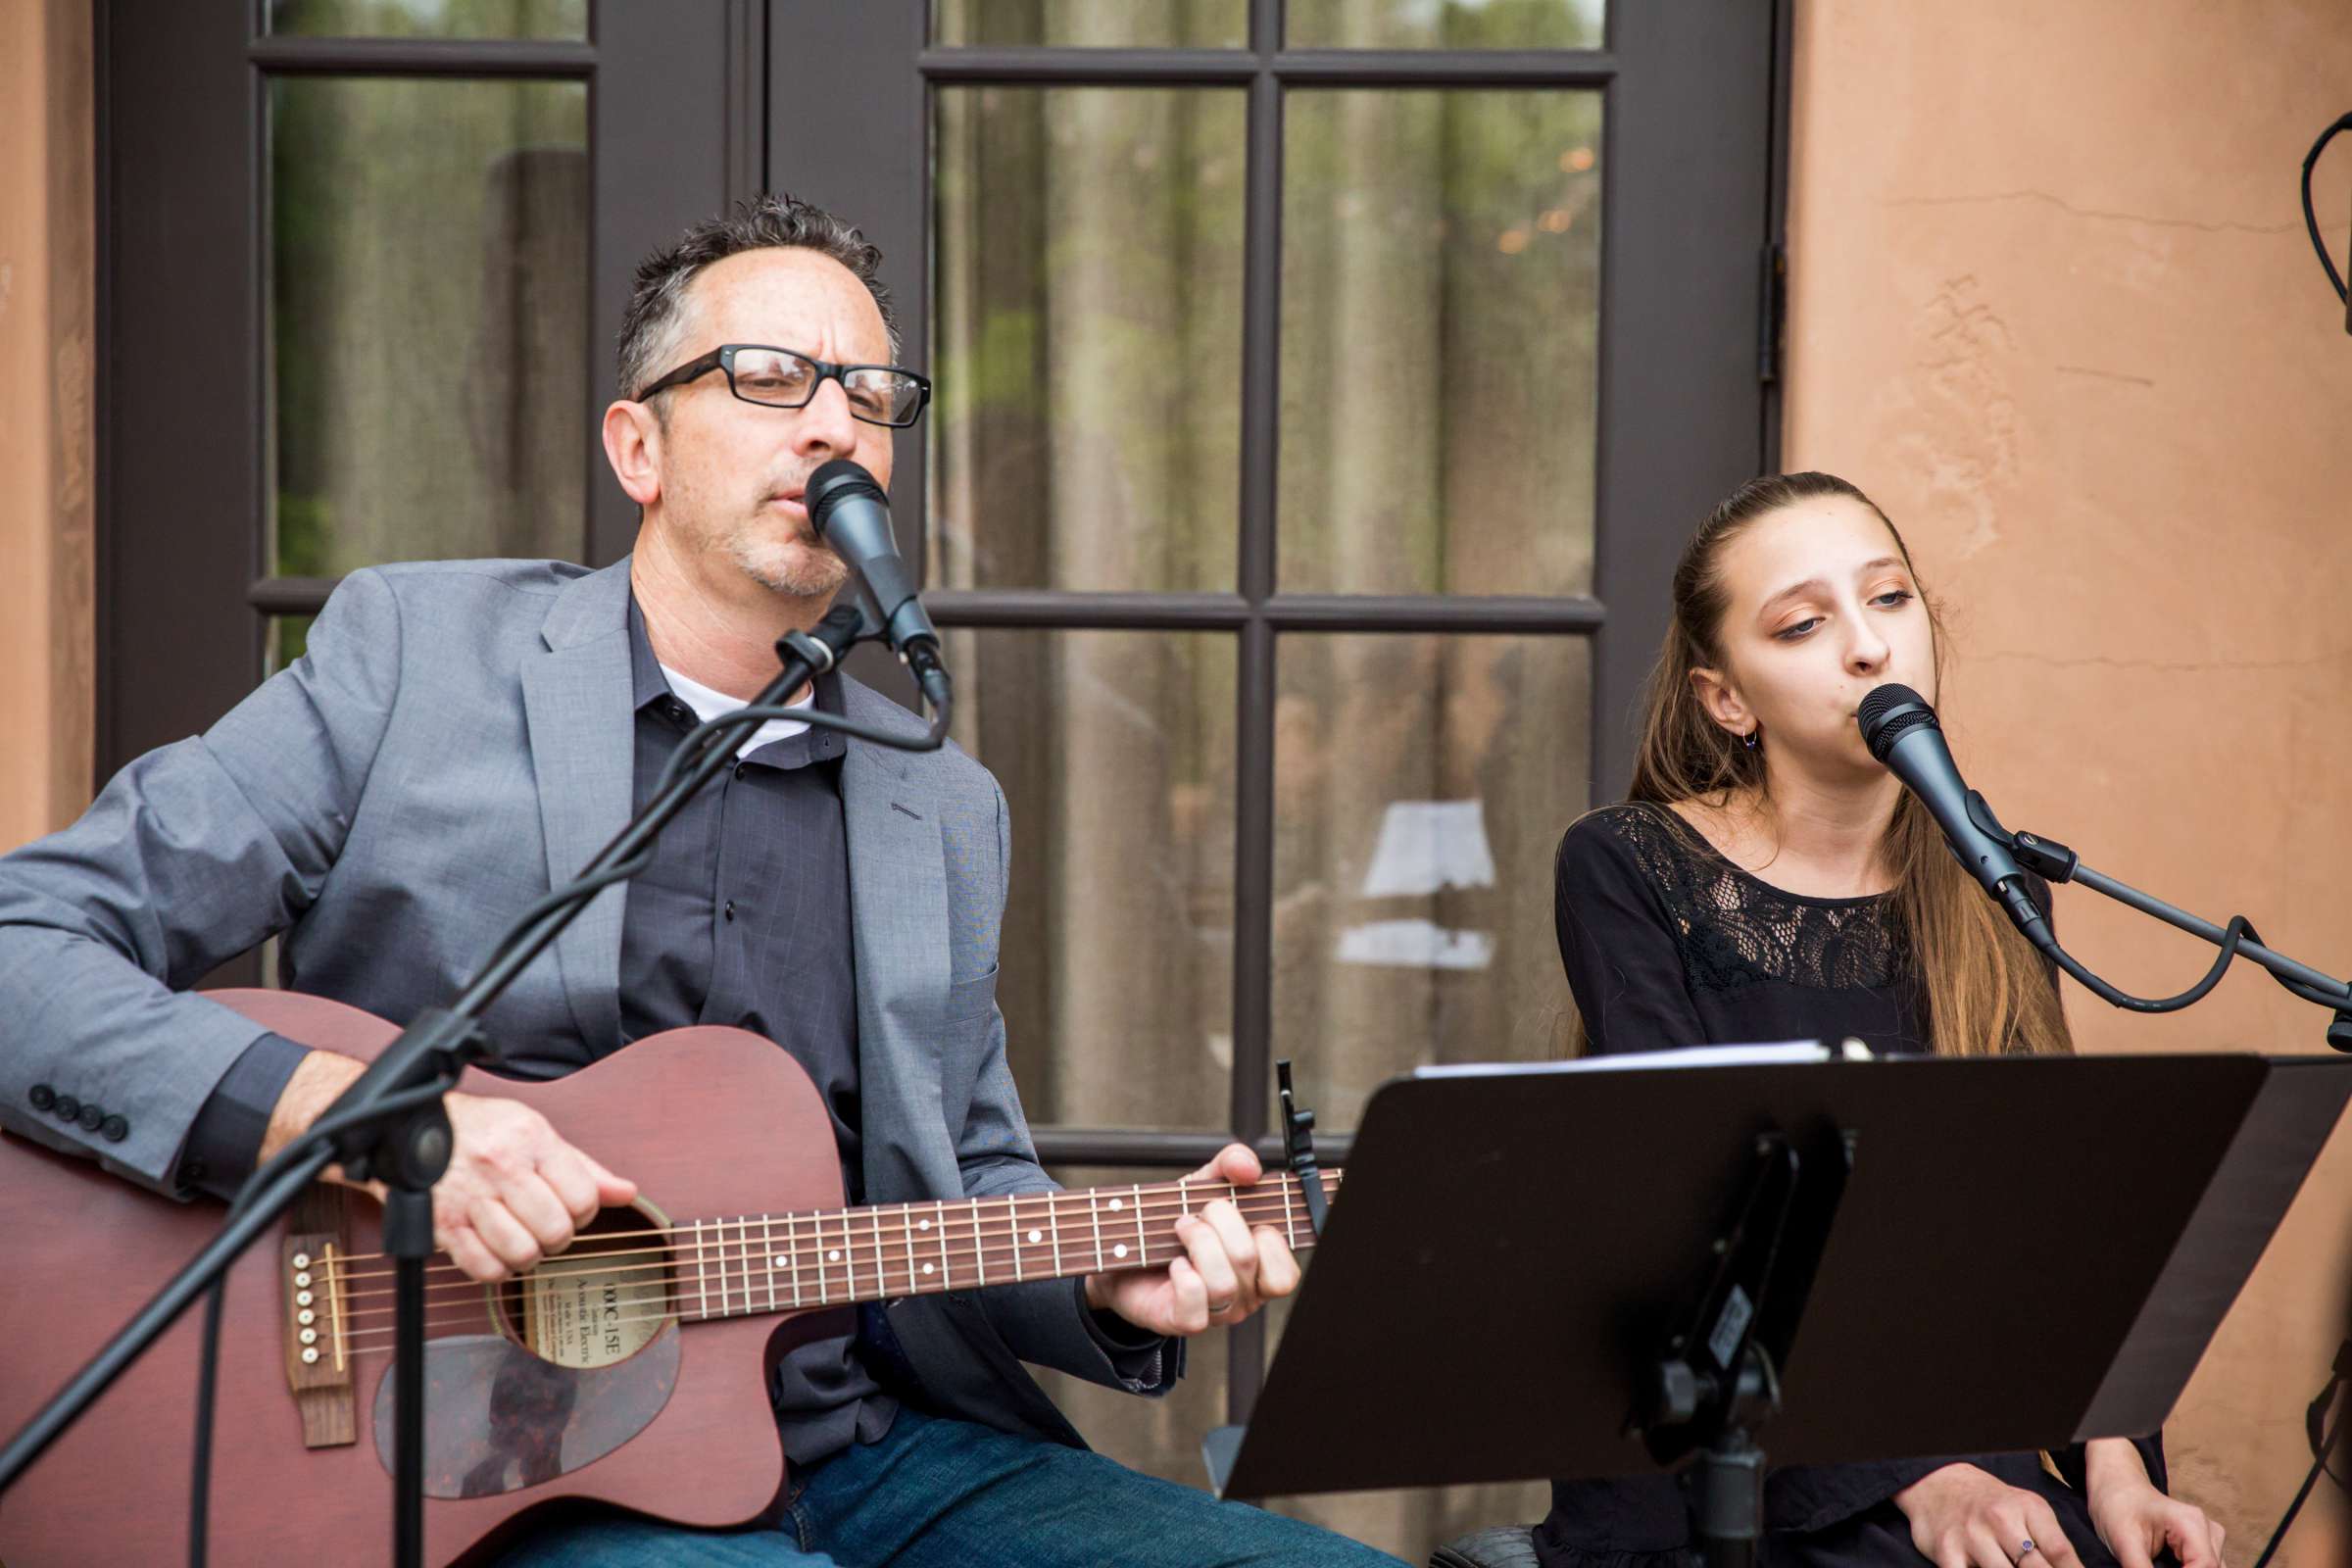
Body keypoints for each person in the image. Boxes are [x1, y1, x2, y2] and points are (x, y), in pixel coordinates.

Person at [0, 194, 1403, 1567]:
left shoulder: (942, 802)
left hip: (871, 1452)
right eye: (769, 377)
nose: (833, 424)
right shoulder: (411, 663)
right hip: (484, 1470)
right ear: (638, 446)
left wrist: (1110, 1284)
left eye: (868, 393)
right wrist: (366, 1122)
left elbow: (963, 1172)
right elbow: (23, 946)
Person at [1539, 472, 2226, 1568]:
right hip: (1715, 1454)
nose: (1869, 648)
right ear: (1727, 699)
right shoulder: (1630, 864)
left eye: (1890, 599)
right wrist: (1921, 1479)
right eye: (1805, 624)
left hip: (1954, 1437)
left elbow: (2050, 1223)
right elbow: (1684, 1217)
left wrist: (2116, 1466)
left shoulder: (1991, 884)